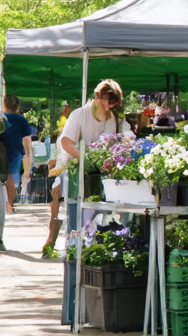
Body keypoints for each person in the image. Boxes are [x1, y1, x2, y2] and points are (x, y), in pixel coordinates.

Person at [51, 81, 134, 255]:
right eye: (107, 102)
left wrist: (127, 141)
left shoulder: (116, 118)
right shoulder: (79, 115)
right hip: (80, 177)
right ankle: (73, 255)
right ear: (98, 97)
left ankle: (101, 251)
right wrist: (85, 158)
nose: (109, 107)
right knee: (77, 218)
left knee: (105, 220)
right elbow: (66, 142)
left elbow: (128, 135)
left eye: (113, 103)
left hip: (105, 177)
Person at [1, 95, 33, 215]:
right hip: (15, 152)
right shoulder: (22, 120)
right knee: (11, 179)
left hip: (2, 152)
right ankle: (9, 205)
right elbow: (27, 145)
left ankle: (6, 205)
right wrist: (27, 170)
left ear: (4, 105)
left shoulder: (1, 117)